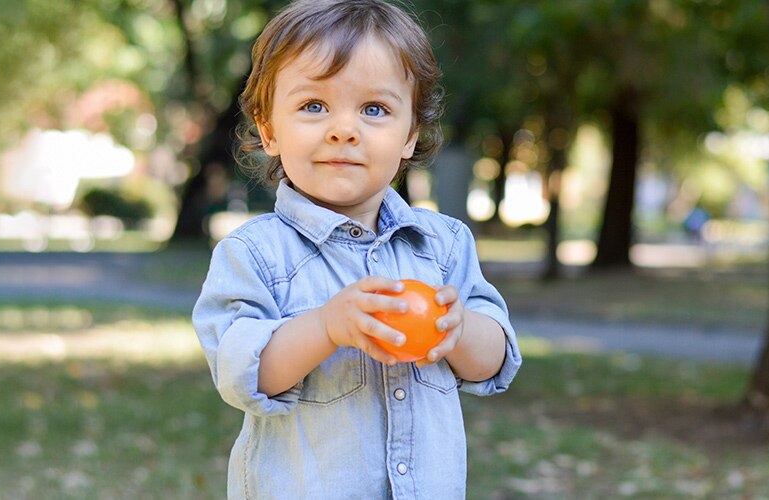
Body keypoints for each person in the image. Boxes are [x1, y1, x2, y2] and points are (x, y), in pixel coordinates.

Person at [192, 1, 522, 497]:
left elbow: (494, 362)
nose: (343, 129)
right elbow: (243, 373)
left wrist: (461, 329)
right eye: (313, 106)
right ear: (269, 130)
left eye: (374, 109)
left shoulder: (444, 245)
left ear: (410, 134)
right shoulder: (255, 253)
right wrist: (327, 326)